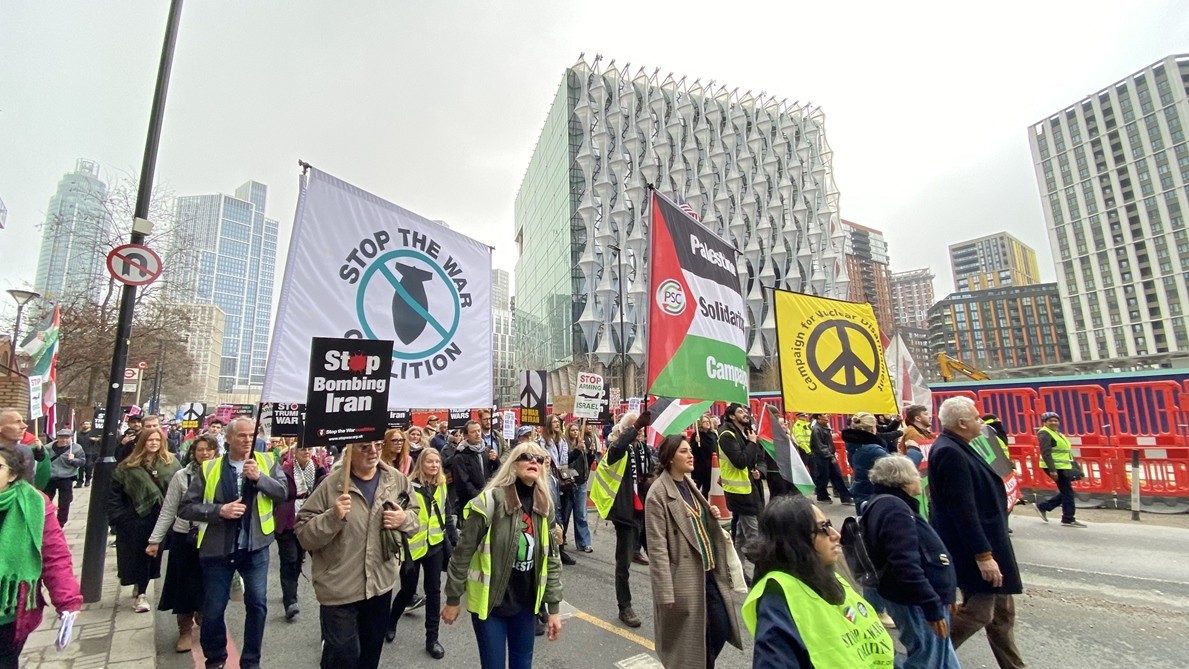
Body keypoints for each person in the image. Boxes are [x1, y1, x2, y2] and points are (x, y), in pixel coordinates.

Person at [296, 438, 419, 669]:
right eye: (365, 447)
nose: (373, 451)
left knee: (370, 657)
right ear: (350, 450)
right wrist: (332, 517)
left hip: (380, 585)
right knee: (343, 657)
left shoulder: (396, 479)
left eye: (378, 445)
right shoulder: (331, 485)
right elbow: (304, 533)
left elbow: (415, 516)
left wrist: (404, 519)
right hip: (339, 588)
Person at [442, 441, 564, 669]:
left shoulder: (544, 505)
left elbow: (552, 560)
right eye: (526, 456)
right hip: (491, 606)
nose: (534, 461)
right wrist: (453, 598)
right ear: (513, 464)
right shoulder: (490, 501)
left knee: (523, 664)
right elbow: (462, 554)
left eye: (539, 459)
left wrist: (554, 609)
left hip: (526, 605)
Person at [179, 416, 288, 669]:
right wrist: (220, 511)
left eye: (251, 435)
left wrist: (260, 478)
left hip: (255, 548)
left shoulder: (267, 462)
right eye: (242, 435)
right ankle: (216, 658)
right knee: (214, 609)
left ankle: (251, 661)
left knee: (257, 605)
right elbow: (186, 508)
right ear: (228, 439)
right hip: (218, 549)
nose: (248, 440)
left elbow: (283, 493)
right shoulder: (210, 468)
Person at [928, 396, 1026, 669]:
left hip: (992, 543)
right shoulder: (949, 452)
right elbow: (963, 509)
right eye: (976, 418)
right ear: (962, 423)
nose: (981, 422)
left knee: (1003, 615)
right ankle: (929, 658)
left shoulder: (960, 446)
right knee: (979, 613)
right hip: (976, 548)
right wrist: (983, 555)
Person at [744, 495, 895, 668]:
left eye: (830, 524)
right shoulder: (777, 597)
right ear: (795, 540)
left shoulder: (828, 576)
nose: (836, 535)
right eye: (823, 528)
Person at [645, 435, 742, 668]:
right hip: (684, 578)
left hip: (709, 572)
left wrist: (710, 515)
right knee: (693, 642)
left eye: (690, 451)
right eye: (684, 451)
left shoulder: (688, 483)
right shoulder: (657, 494)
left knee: (720, 628)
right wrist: (665, 593)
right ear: (670, 458)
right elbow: (657, 549)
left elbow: (696, 520)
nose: (690, 456)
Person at [863, 456, 960, 669]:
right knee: (927, 660)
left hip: (918, 598)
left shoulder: (888, 504)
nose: (919, 479)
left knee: (941, 658)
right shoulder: (894, 508)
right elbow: (905, 564)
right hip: (916, 601)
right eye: (916, 474)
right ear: (904, 479)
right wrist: (931, 605)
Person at [0, 443, 83, 666]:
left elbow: (55, 556)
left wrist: (67, 601)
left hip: (8, 614)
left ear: (13, 475)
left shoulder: (34, 504)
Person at [147, 434, 217, 653]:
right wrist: (155, 540)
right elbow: (168, 510)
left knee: (209, 585)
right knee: (183, 586)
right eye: (200, 449)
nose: (204, 453)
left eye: (208, 449)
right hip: (184, 538)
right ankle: (185, 630)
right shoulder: (181, 476)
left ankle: (204, 618)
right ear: (193, 452)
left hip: (212, 538)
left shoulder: (222, 474)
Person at [588, 411, 654, 628]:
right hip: (625, 512)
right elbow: (616, 449)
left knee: (661, 556)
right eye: (636, 427)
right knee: (623, 564)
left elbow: (651, 468)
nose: (641, 431)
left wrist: (650, 479)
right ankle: (624, 606)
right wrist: (634, 428)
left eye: (642, 427)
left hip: (644, 510)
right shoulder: (618, 448)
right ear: (627, 429)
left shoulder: (642, 448)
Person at [108, 426, 180, 612]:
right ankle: (138, 585)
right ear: (142, 442)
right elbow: (115, 493)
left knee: (151, 555)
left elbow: (180, 488)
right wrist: (118, 517)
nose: (154, 443)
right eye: (150, 440)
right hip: (134, 518)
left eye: (157, 440)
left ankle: (142, 593)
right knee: (135, 555)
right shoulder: (127, 466)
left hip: (160, 517)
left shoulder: (171, 463)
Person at [387, 448, 449, 658]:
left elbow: (446, 512)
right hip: (412, 547)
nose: (434, 465)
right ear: (421, 463)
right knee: (407, 590)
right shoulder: (409, 486)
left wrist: (452, 539)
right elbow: (399, 514)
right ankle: (391, 621)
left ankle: (432, 639)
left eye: (437, 462)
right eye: (429, 462)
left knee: (434, 592)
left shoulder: (442, 485)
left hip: (435, 545)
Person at [277, 443, 327, 621]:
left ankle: (293, 587)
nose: (306, 452)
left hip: (309, 519)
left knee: (299, 559)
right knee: (289, 559)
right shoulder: (285, 469)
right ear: (295, 452)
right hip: (288, 519)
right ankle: (290, 601)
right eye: (302, 449)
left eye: (308, 449)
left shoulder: (320, 469)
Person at [718, 403, 765, 583]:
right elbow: (740, 461)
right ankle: (762, 574)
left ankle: (735, 571)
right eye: (740, 411)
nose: (745, 414)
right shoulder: (726, 435)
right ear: (732, 416)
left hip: (750, 488)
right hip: (739, 492)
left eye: (745, 411)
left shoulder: (747, 432)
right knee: (753, 535)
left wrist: (760, 471)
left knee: (740, 535)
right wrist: (751, 443)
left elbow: (758, 458)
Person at [1035, 412, 1084, 528]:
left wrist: (1076, 467)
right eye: (1050, 421)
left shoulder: (1057, 433)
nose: (1053, 422)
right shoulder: (1044, 433)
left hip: (1063, 466)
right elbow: (1046, 453)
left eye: (1056, 420)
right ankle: (1068, 518)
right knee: (1068, 493)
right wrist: (1052, 470)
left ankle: (1043, 506)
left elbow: (1066, 452)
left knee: (1067, 492)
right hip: (1055, 467)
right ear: (1045, 422)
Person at [542, 415, 577, 566]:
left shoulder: (563, 441)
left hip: (563, 480)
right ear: (548, 424)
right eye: (554, 422)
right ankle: (552, 548)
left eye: (558, 422)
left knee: (564, 516)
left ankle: (561, 546)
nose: (557, 424)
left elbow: (566, 460)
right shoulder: (542, 441)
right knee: (554, 515)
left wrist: (578, 451)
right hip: (550, 479)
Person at [843, 413, 889, 512]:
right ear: (872, 428)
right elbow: (898, 470)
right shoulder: (872, 449)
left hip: (862, 492)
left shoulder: (854, 446)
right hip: (873, 494)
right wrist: (913, 451)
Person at [560, 422, 592, 553]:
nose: (575, 432)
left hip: (581, 483)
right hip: (569, 483)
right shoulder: (564, 444)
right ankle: (561, 539)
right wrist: (577, 450)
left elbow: (586, 463)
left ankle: (584, 543)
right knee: (565, 514)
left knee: (581, 514)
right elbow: (566, 461)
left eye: (577, 430)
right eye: (572, 430)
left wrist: (590, 453)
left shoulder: (582, 444)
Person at [43, 428, 85, 527]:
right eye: (62, 437)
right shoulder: (48, 448)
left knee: (64, 502)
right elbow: (42, 460)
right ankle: (46, 521)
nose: (64, 440)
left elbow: (82, 461)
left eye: (67, 437)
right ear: (57, 438)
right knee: (46, 501)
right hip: (50, 478)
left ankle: (60, 523)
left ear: (71, 438)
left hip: (66, 478)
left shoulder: (76, 448)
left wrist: (74, 460)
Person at [810, 414, 852, 505]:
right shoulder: (817, 429)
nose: (827, 417)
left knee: (837, 476)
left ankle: (845, 497)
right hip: (822, 457)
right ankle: (822, 496)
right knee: (823, 477)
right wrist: (830, 456)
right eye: (824, 415)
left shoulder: (824, 427)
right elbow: (820, 446)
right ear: (819, 417)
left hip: (828, 455)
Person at [691, 414, 717, 498]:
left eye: (708, 421)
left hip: (711, 465)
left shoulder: (713, 435)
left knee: (707, 487)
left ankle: (704, 501)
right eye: (704, 422)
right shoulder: (696, 435)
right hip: (700, 466)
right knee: (697, 486)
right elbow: (692, 451)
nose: (707, 423)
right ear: (700, 424)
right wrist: (696, 443)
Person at [74, 420, 96, 488]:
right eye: (84, 424)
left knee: (88, 467)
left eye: (87, 424)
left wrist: (95, 440)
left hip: (89, 453)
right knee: (79, 469)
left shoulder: (93, 434)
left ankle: (88, 480)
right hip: (79, 453)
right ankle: (79, 482)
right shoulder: (77, 434)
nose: (85, 425)